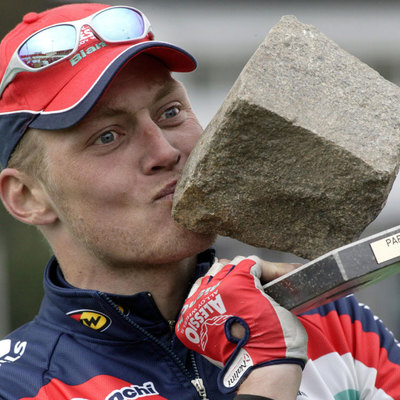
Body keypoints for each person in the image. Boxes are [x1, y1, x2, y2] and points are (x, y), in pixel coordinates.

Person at [0, 3, 398, 400]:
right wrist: (266, 377)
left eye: (170, 112)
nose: (166, 151)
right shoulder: (20, 386)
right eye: (108, 136)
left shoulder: (332, 322)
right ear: (28, 197)